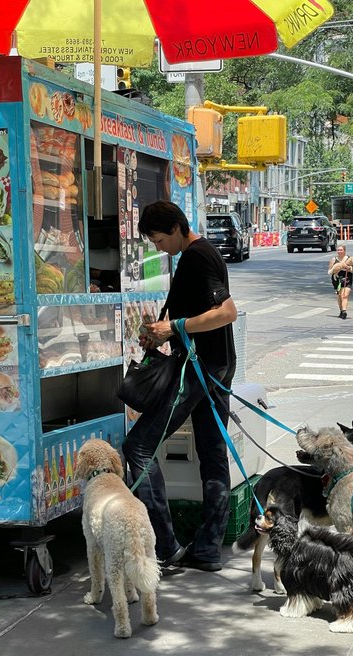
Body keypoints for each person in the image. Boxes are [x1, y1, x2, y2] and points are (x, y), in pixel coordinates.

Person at [122, 201, 237, 572]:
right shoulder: (194, 256)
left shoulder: (199, 256)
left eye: (158, 240)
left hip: (202, 370)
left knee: (138, 445)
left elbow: (226, 312)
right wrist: (162, 332)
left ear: (175, 227)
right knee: (212, 455)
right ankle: (206, 550)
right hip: (215, 365)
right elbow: (195, 315)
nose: (158, 248)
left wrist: (175, 328)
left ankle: (166, 547)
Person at [328, 244, 353, 319]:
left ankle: (344, 311)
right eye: (338, 250)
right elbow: (329, 271)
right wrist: (336, 269)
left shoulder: (349, 259)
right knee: (340, 296)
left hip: (347, 278)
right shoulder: (333, 260)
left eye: (341, 250)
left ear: (344, 251)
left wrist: (347, 267)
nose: (339, 251)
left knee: (345, 295)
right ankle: (341, 310)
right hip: (337, 279)